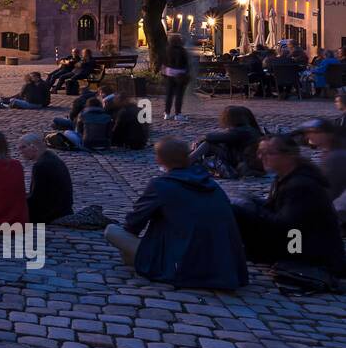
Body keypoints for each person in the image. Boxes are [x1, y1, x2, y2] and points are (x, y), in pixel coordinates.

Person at [103, 138, 248, 289]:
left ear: (159, 159)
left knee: (112, 231)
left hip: (182, 264)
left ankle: (139, 261)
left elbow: (132, 225)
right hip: (222, 265)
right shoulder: (211, 184)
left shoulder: (161, 185)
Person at [231, 136, 346, 275]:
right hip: (298, 240)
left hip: (302, 250)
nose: (261, 157)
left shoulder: (300, 185)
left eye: (268, 153)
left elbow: (287, 227)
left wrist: (250, 211)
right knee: (243, 202)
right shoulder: (286, 176)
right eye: (260, 152)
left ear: (289, 155)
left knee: (238, 210)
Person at [189, 105, 262, 177]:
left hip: (240, 159)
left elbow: (211, 137)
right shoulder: (250, 129)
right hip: (241, 158)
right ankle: (191, 159)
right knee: (208, 144)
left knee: (207, 144)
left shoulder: (241, 131)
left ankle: (188, 161)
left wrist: (201, 139)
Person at [18, 133, 73, 223]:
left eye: (23, 147)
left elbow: (36, 198)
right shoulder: (52, 158)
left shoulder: (41, 165)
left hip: (51, 214)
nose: (21, 152)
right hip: (63, 210)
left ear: (34, 147)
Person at [163, 33, 190, 121]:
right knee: (179, 95)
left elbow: (164, 62)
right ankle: (177, 114)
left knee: (169, 95)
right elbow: (186, 63)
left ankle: (167, 113)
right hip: (180, 75)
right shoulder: (182, 50)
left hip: (169, 73)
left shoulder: (167, 50)